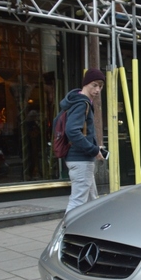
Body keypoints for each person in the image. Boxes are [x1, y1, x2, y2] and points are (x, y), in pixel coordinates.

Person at [61, 67, 106, 213]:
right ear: (85, 84)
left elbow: (81, 132)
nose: (98, 89)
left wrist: (94, 147)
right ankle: (64, 233)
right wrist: (93, 150)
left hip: (81, 159)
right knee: (77, 203)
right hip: (81, 160)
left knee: (91, 200)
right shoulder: (82, 103)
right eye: (94, 85)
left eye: (100, 86)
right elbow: (72, 131)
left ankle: (93, 231)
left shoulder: (80, 101)